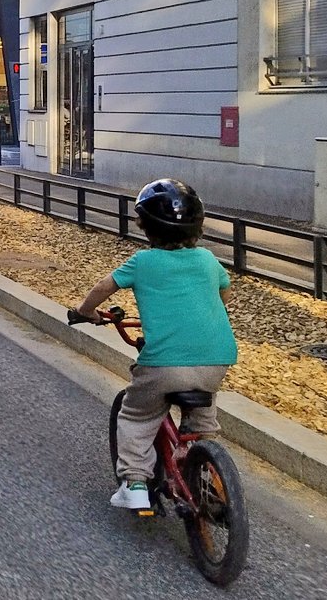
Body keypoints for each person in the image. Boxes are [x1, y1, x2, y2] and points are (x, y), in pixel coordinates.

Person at [72, 179, 237, 511]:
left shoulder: (142, 262)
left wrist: (84, 312)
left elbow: (105, 286)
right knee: (202, 412)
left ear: (146, 228)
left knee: (135, 415)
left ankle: (134, 482)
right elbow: (224, 293)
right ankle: (198, 460)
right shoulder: (207, 260)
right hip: (216, 360)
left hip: (163, 363)